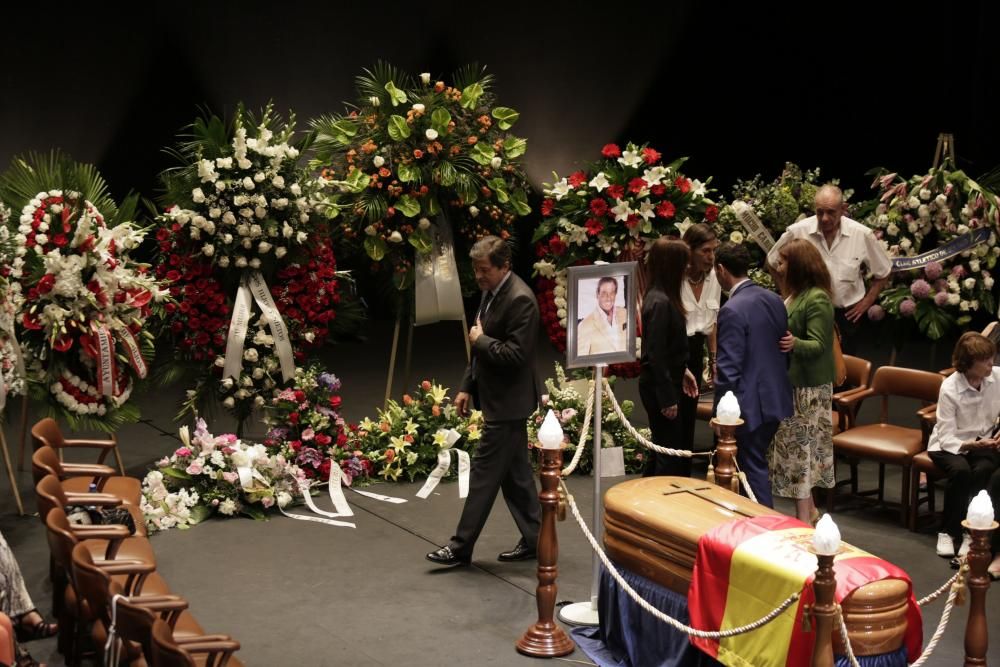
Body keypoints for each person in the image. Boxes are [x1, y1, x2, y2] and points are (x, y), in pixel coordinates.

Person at [426, 236, 542, 566]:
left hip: (509, 404)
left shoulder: (521, 300)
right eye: (475, 270)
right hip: (500, 399)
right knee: (516, 477)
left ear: (505, 266)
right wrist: (466, 386)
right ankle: (536, 539)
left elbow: (515, 355)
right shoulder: (492, 291)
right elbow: (480, 342)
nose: (478, 276)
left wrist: (481, 341)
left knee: (483, 475)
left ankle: (460, 547)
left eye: (484, 270)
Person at [766, 184, 892, 354]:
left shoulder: (861, 234)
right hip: (806, 313)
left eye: (831, 212)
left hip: (845, 316)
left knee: (843, 373)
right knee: (805, 369)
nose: (824, 218)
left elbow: (883, 271)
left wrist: (867, 302)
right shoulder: (798, 231)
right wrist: (787, 294)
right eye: (819, 212)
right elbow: (772, 261)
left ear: (843, 209)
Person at [713, 242, 794, 507]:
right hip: (775, 397)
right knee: (754, 462)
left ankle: (763, 525)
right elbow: (784, 348)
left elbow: (728, 369)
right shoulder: (773, 298)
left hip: (746, 405)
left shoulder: (732, 310)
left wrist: (720, 415)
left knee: (750, 466)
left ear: (721, 270)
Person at [769, 239, 836, 524]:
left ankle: (804, 518)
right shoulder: (794, 294)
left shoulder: (817, 297)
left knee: (801, 454)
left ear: (797, 265)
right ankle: (807, 512)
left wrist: (794, 342)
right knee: (796, 454)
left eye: (783, 262)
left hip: (809, 392)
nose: (778, 267)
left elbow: (821, 345)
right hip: (794, 386)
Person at [926, 332, 1000, 578]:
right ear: (968, 363)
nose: (992, 364)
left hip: (983, 441)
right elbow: (946, 437)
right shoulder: (950, 387)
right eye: (986, 361)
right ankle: (948, 532)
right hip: (950, 444)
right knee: (961, 471)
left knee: (984, 469)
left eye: (992, 359)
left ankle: (970, 533)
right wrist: (972, 446)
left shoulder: (997, 378)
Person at [639, 239, 700, 477]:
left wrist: (682, 370)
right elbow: (655, 355)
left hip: (665, 382)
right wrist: (667, 398)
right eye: (683, 262)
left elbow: (664, 349)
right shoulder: (661, 301)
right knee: (669, 453)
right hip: (659, 388)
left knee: (662, 450)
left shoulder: (661, 296)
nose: (688, 267)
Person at [680, 223, 722, 455]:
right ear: (689, 250)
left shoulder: (714, 277)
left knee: (689, 411)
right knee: (674, 414)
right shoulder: (675, 278)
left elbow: (712, 322)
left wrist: (714, 359)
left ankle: (684, 466)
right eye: (705, 251)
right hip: (676, 349)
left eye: (714, 250)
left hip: (697, 350)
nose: (711, 257)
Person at [576, 276, 628, 356]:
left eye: (612, 293)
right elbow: (581, 362)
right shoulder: (584, 325)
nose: (608, 298)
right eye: (604, 293)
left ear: (616, 294)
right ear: (597, 294)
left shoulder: (625, 314)